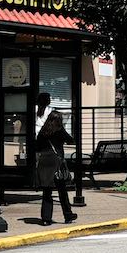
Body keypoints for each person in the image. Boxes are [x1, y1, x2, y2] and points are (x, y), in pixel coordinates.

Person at [32, 91, 75, 224]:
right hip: (57, 163)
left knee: (47, 192)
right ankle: (68, 215)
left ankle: (46, 218)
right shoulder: (59, 130)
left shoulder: (42, 132)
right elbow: (71, 140)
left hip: (44, 161)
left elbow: (37, 146)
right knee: (62, 191)